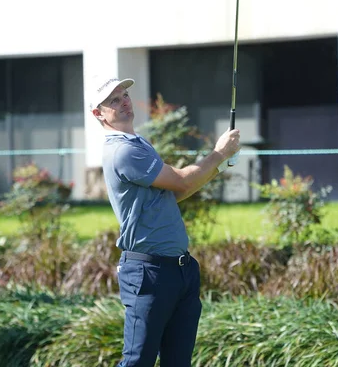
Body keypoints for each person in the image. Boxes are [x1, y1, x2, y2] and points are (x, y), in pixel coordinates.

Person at [90, 77, 241, 367]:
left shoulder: (138, 143)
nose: (123, 101)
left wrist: (220, 163)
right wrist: (220, 152)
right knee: (138, 362)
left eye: (124, 95)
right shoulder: (124, 151)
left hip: (179, 270)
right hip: (148, 272)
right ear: (98, 114)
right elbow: (183, 183)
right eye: (113, 100)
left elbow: (174, 195)